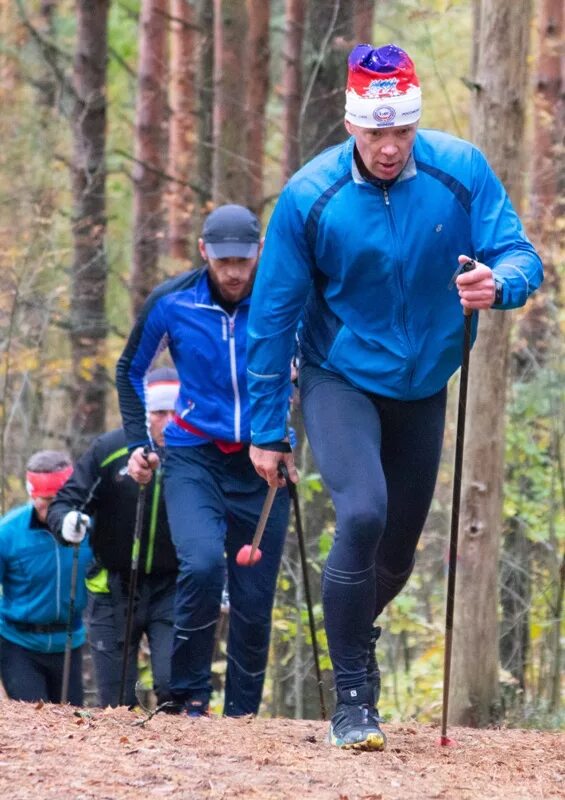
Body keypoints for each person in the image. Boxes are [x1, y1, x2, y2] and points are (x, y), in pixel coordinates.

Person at [246, 43, 543, 750]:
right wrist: (266, 429)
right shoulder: (308, 197)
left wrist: (497, 285)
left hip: (424, 384)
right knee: (363, 513)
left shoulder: (459, 170)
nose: (387, 147)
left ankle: (354, 631)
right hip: (338, 377)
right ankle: (352, 698)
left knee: (398, 555)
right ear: (351, 125)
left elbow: (520, 254)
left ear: (416, 125)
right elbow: (272, 317)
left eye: (401, 132)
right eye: (374, 133)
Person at [115, 204, 290, 717]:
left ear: (260, 253)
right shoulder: (173, 301)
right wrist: (136, 444)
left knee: (255, 598)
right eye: (222, 260)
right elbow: (130, 370)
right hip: (194, 455)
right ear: (203, 253)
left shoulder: (281, 298)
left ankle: (241, 715)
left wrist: (288, 435)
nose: (234, 272)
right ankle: (186, 698)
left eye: (243, 259)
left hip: (263, 462)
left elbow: (318, 369)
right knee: (201, 562)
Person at [48, 368, 180, 709]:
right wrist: (68, 523)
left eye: (174, 413)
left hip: (174, 586)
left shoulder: (195, 454)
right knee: (117, 702)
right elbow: (65, 503)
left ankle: (175, 761)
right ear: (142, 412)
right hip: (113, 587)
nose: (167, 423)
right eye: (158, 413)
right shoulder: (110, 448)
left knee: (173, 688)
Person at [0, 450, 91, 705]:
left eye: (57, 499)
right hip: (20, 645)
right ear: (31, 494)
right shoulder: (8, 532)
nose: (50, 508)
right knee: (34, 725)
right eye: (43, 499)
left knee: (73, 728)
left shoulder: (88, 526)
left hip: (69, 643)